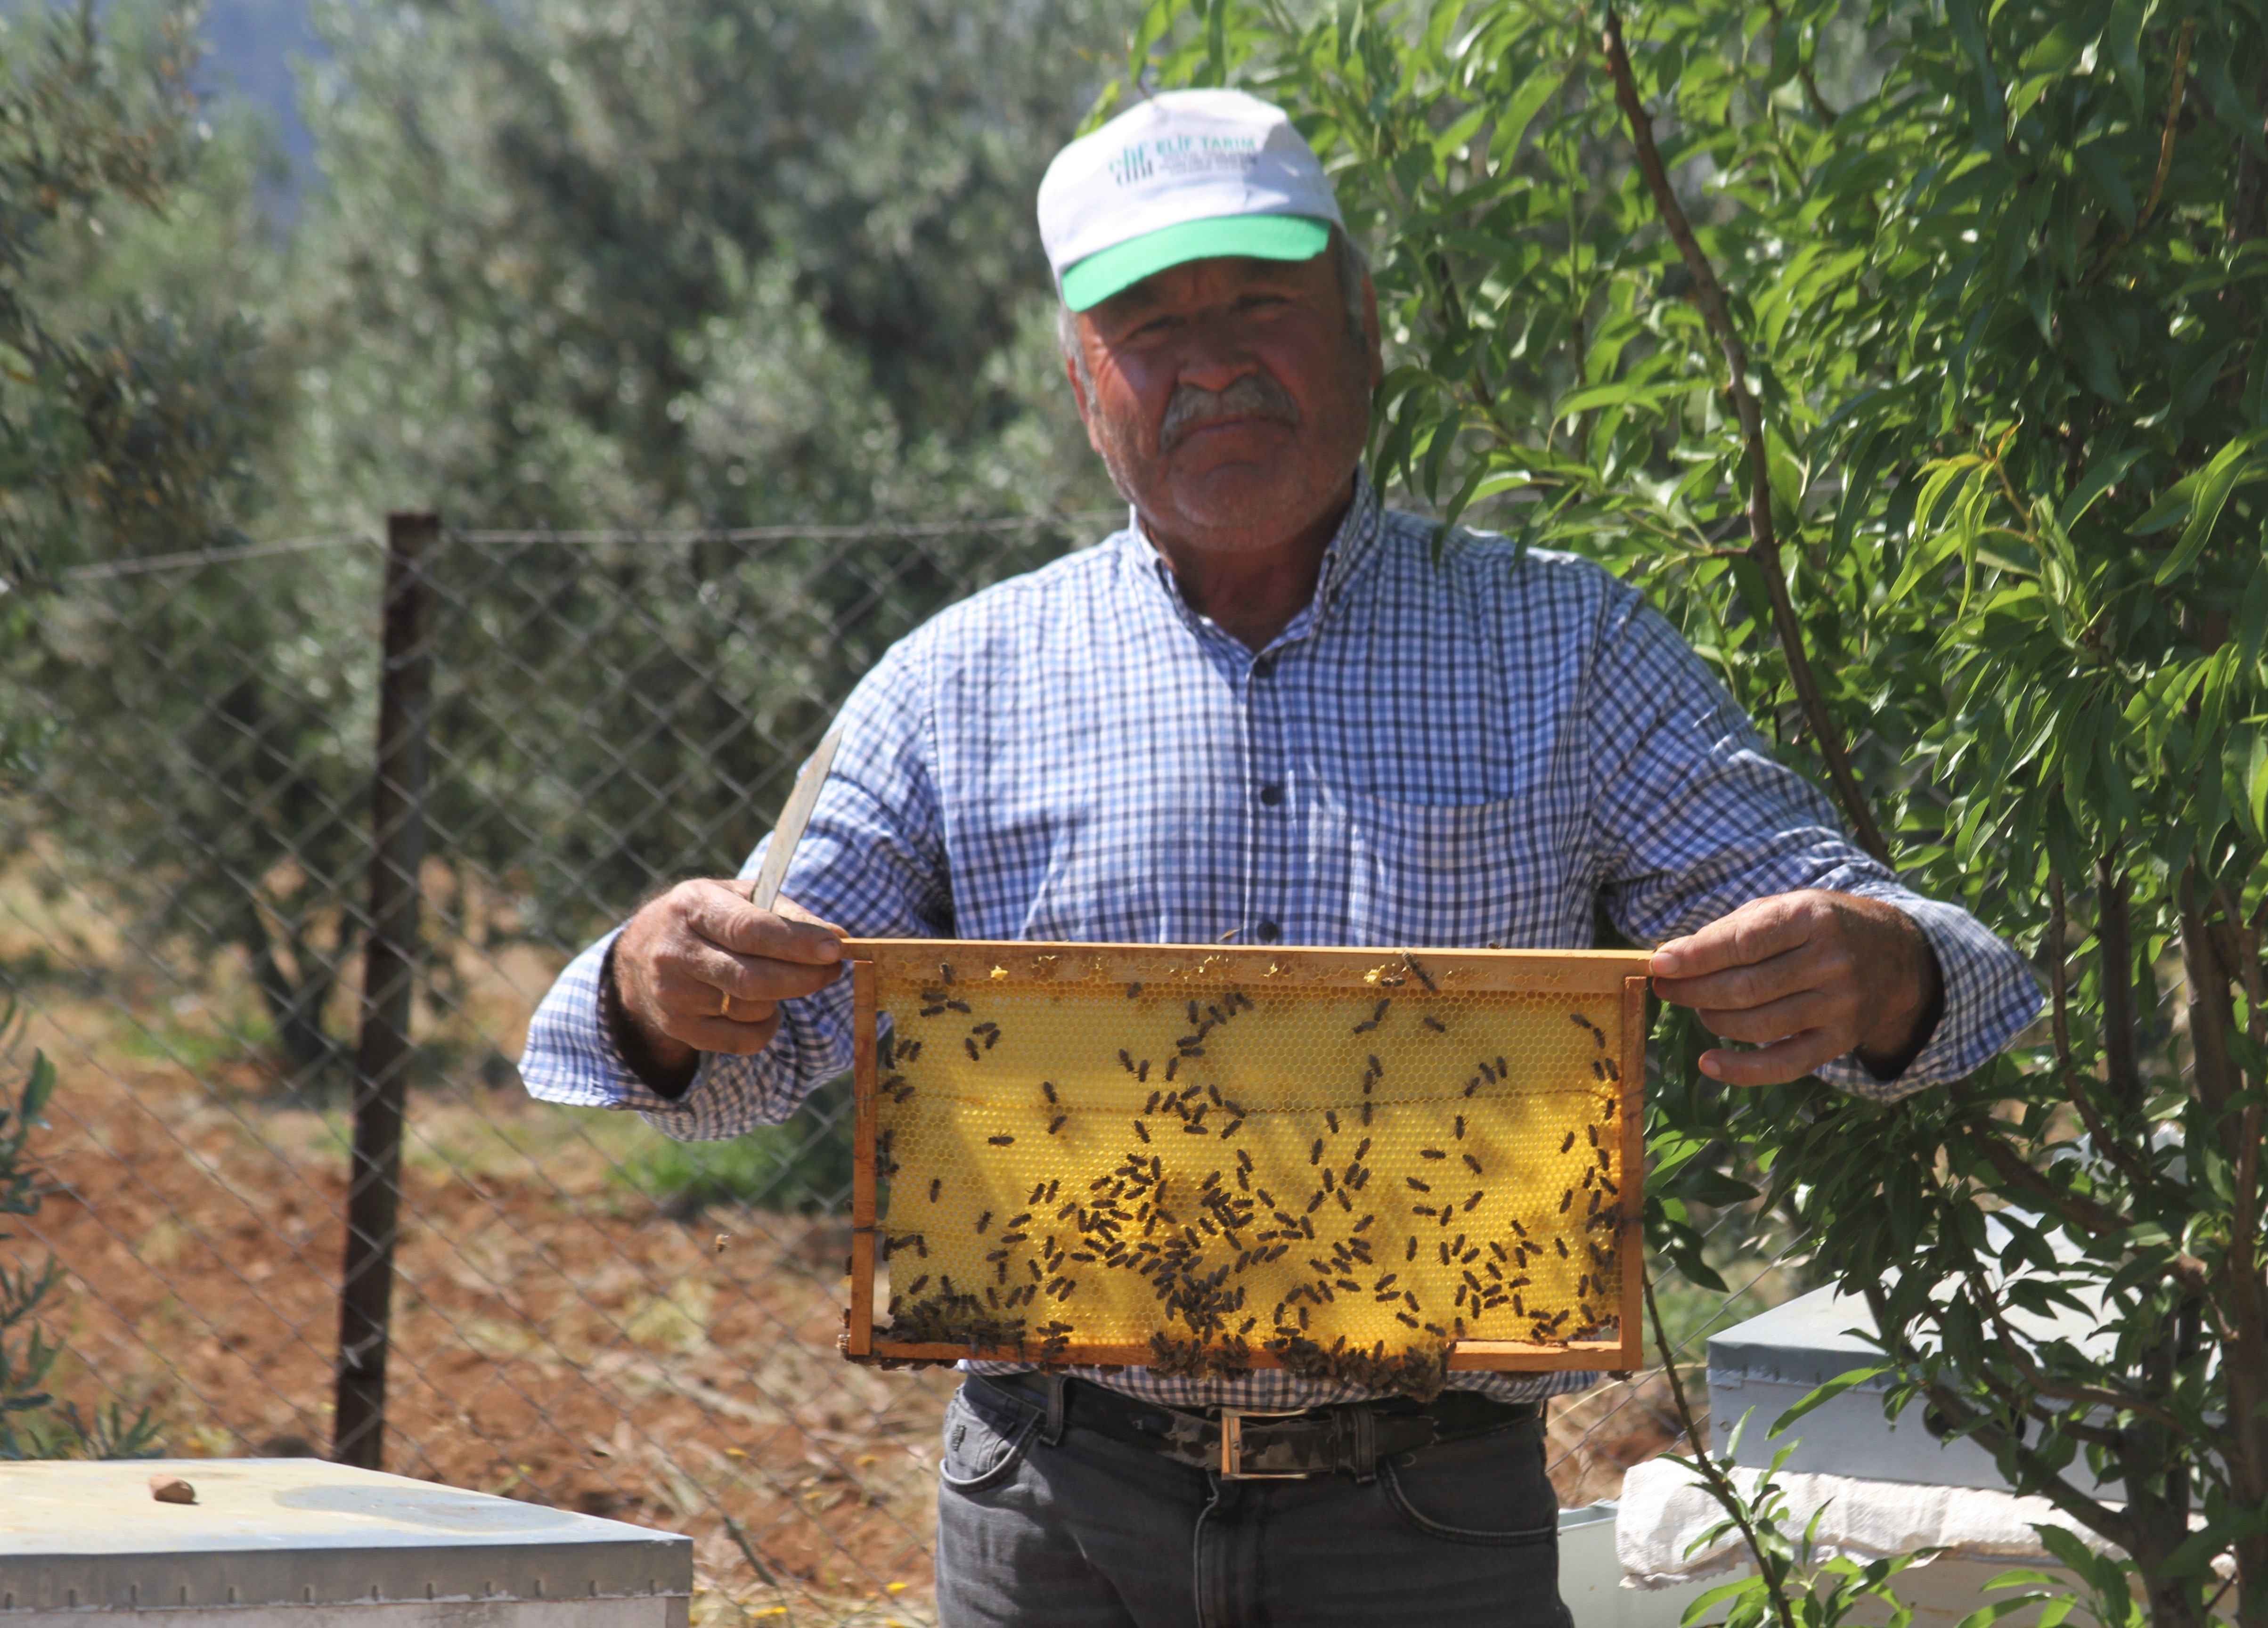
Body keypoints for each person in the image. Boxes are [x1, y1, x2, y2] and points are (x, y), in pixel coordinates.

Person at [522, 88, 2041, 1628]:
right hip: (1052, 1513)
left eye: (1262, 300)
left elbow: (1932, 972)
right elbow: (739, 1053)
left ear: (1363, 323)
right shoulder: (954, 688)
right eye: (1150, 326)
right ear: (1079, 381)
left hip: (1427, 1515)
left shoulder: (1569, 652)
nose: (1215, 361)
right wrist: (662, 985)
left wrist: (1879, 968)